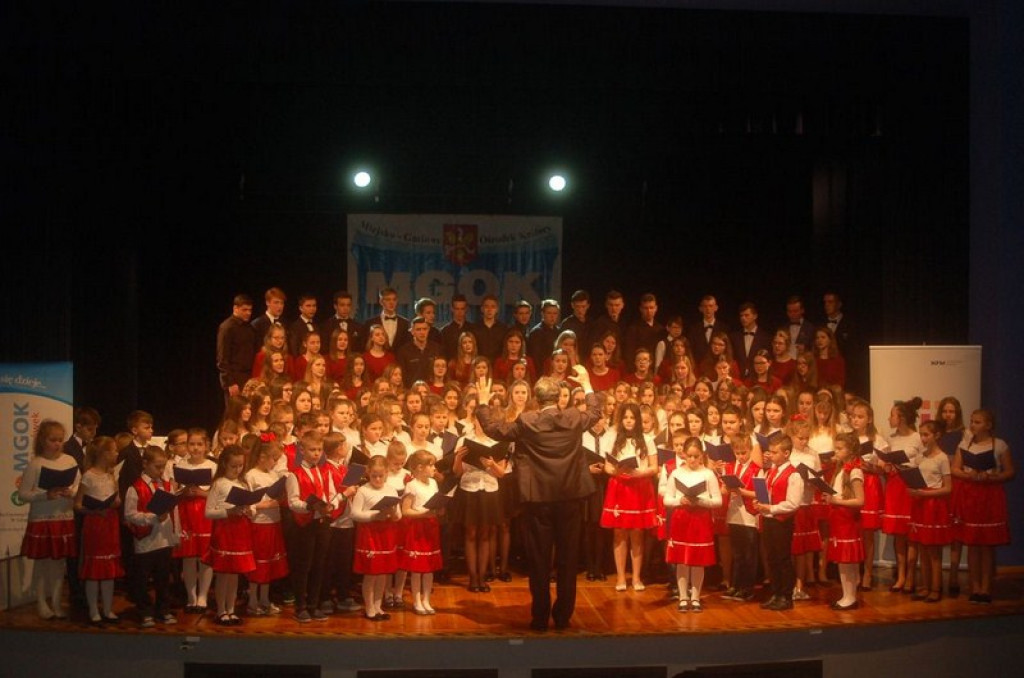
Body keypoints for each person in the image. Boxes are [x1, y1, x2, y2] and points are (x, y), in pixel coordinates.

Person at [476, 364, 602, 632]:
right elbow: (594, 412)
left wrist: (484, 401)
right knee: (568, 559)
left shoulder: (527, 421)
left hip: (539, 500)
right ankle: (563, 617)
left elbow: (493, 429)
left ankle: (540, 617)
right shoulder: (573, 418)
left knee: (539, 560)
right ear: (558, 398)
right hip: (569, 498)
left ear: (537, 397)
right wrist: (587, 383)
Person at [952, 409, 1014, 604]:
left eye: (977, 422)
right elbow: (955, 469)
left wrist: (992, 477)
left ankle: (986, 588)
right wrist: (969, 475)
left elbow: (1010, 471)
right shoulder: (965, 444)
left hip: (990, 495)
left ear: (988, 425)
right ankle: (975, 587)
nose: (973, 425)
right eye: (972, 421)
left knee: (987, 545)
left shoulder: (999, 445)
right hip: (970, 495)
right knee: (972, 543)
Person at [19, 420, 79, 620]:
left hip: (64, 517)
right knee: (43, 564)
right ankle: (41, 603)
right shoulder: (36, 463)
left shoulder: (70, 460)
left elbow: (78, 486)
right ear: (43, 441)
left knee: (60, 564)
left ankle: (56, 602)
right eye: (53, 440)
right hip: (42, 519)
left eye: (60, 440)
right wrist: (45, 495)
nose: (57, 444)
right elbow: (23, 494)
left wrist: (72, 492)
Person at [599, 402, 659, 593]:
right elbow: (607, 466)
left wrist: (639, 473)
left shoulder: (647, 439)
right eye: (625, 417)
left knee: (637, 533)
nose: (629, 421)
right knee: (619, 533)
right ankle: (620, 576)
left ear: (638, 420)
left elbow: (654, 467)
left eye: (632, 417)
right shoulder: (613, 439)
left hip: (639, 487)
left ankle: (636, 577)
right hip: (619, 486)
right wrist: (615, 471)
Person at [663, 436, 722, 613]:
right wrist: (679, 500)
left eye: (696, 456)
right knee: (681, 561)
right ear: (684, 455)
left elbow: (717, 501)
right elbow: (667, 499)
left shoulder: (708, 474)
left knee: (697, 560)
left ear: (702, 455)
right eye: (689, 456)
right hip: (681, 519)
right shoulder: (676, 473)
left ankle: (695, 597)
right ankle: (683, 597)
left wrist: (701, 502)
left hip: (700, 520)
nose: (692, 460)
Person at [124, 446, 180, 628]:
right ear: (145, 464)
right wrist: (152, 517)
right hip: (146, 541)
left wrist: (176, 535)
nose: (161, 470)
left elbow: (174, 511)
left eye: (163, 466)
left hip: (164, 539)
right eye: (157, 466)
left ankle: (163, 610)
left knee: (163, 578)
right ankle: (145, 611)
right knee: (143, 579)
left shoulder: (167, 485)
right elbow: (129, 515)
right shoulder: (135, 487)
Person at [204, 445, 256, 626]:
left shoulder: (244, 483)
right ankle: (221, 611)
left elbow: (253, 507)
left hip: (241, 531)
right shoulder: (218, 483)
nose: (237, 469)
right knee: (224, 574)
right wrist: (228, 512)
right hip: (225, 531)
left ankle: (231, 609)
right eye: (234, 466)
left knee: (235, 574)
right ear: (225, 464)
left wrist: (250, 510)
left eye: (241, 465)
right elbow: (208, 512)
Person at [73, 436, 122, 624]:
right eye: (114, 450)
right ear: (104, 454)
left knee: (108, 568)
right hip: (95, 524)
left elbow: (117, 499)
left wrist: (115, 502)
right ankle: (94, 610)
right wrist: (93, 510)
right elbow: (78, 505)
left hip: (110, 523)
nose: (116, 453)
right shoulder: (88, 476)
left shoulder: (111, 475)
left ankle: (108, 609)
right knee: (94, 570)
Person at [754, 435, 804, 611]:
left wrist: (771, 508)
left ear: (786, 453)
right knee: (772, 558)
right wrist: (760, 503)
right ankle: (776, 593)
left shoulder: (794, 475)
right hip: (769, 520)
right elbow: (769, 493)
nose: (771, 455)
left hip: (782, 522)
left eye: (775, 452)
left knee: (783, 559)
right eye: (770, 451)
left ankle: (786, 596)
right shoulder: (771, 471)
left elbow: (793, 503)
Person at [350, 456, 403, 621]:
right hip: (370, 535)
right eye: (374, 476)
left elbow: (398, 515)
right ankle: (369, 607)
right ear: (368, 473)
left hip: (386, 534)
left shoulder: (391, 490)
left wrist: (393, 514)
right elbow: (354, 514)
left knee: (383, 573)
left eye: (381, 476)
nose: (378, 479)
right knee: (371, 573)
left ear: (387, 473)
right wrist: (374, 516)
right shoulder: (363, 490)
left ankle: (378, 606)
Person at [244, 435, 290, 616]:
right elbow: (247, 504)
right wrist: (264, 505)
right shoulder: (251, 475)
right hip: (259, 524)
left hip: (274, 523)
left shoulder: (273, 475)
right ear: (262, 457)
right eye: (273, 458)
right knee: (259, 564)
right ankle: (252, 601)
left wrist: (279, 500)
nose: (275, 462)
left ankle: (264, 599)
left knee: (269, 564)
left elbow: (278, 497)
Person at [882, 397, 924, 593]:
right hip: (894, 484)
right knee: (899, 534)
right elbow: (885, 462)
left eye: (892, 415)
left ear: (902, 418)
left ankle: (911, 576)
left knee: (911, 532)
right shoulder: (891, 438)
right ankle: (900, 576)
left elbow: (924, 461)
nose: (889, 418)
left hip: (910, 484)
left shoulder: (917, 437)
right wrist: (886, 465)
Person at [173, 427, 216, 614]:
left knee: (205, 556)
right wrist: (183, 491)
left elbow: (217, 493)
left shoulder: (212, 466)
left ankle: (203, 596)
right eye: (192, 444)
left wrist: (200, 492)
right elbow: (173, 490)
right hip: (186, 513)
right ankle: (191, 597)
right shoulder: (180, 465)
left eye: (200, 444)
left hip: (204, 513)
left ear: (206, 446)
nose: (196, 448)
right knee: (188, 556)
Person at [908, 421, 952, 603]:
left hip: (933, 506)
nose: (923, 438)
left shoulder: (942, 458)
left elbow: (948, 488)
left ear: (937, 435)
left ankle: (936, 588)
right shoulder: (921, 457)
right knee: (922, 548)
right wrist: (913, 488)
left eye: (926, 434)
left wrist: (927, 493)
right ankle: (925, 586)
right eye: (921, 434)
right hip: (920, 504)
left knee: (933, 550)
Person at [400, 450, 444, 615]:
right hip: (417, 527)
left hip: (431, 526)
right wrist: (422, 514)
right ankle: (417, 600)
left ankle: (426, 599)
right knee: (417, 567)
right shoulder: (412, 486)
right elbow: (405, 511)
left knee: (429, 567)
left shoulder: (433, 483)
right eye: (431, 465)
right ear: (419, 467)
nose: (434, 468)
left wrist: (439, 509)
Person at [826, 432, 866, 610]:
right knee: (843, 561)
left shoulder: (855, 471)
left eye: (840, 448)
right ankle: (846, 594)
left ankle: (850, 597)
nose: (836, 451)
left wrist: (837, 501)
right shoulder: (841, 469)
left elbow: (860, 500)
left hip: (848, 519)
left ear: (850, 450)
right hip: (839, 518)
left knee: (847, 560)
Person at [217, 294, 256, 405]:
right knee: (235, 411)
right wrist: (230, 383)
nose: (248, 313)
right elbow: (222, 358)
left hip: (249, 377)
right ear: (235, 308)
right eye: (244, 310)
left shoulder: (249, 328)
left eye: (250, 310)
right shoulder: (227, 327)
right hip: (234, 378)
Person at [396, 315, 443, 387]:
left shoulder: (437, 349)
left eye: (424, 329)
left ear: (428, 330)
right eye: (418, 329)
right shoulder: (403, 351)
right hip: (411, 390)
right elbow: (402, 376)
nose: (422, 332)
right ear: (412, 331)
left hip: (432, 389)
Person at [730, 302, 771, 379]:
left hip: (757, 378)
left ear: (755, 316)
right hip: (738, 378)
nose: (743, 318)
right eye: (741, 315)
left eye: (746, 315)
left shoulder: (765, 337)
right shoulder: (734, 337)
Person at [320, 289, 366, 357]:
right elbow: (324, 348)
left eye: (348, 305)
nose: (346, 308)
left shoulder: (358, 326)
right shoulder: (326, 326)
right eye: (342, 305)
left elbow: (361, 349)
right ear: (335, 306)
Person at [687, 294, 729, 365]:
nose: (708, 309)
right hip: (698, 367)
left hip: (719, 366)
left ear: (716, 308)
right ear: (700, 309)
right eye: (705, 306)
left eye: (710, 306)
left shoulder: (724, 328)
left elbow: (727, 350)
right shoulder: (693, 329)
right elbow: (690, 350)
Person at [622, 292, 664, 364]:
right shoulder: (633, 329)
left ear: (656, 308)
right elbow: (629, 354)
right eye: (646, 308)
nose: (649, 311)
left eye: (651, 308)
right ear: (641, 309)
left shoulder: (660, 329)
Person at [527, 298, 562, 371]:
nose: (552, 316)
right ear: (542, 314)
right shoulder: (536, 332)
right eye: (549, 313)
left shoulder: (559, 331)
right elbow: (536, 359)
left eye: (555, 313)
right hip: (543, 371)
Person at [372, 286, 410, 351]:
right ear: (381, 302)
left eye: (394, 299)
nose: (391, 302)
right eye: (388, 300)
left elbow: (406, 345)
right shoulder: (371, 323)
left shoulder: (405, 323)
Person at [439, 293, 472, 361]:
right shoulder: (445, 331)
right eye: (457, 309)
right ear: (452, 309)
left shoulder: (473, 329)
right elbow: (443, 353)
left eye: (462, 309)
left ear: (466, 309)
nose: (459, 312)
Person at [287, 293, 319, 358]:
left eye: (314, 306)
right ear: (301, 308)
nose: (312, 309)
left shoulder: (317, 325)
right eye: (308, 306)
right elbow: (294, 350)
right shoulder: (295, 327)